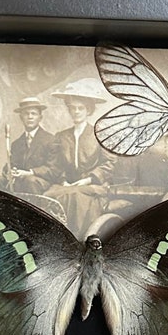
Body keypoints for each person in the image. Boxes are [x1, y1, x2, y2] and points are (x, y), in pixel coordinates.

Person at [45, 79, 116, 239]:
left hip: (93, 186)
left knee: (76, 195)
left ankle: (77, 238)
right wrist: (63, 180)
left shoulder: (99, 135)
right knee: (50, 195)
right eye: (72, 108)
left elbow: (109, 164)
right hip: (67, 185)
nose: (76, 112)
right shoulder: (61, 136)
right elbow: (56, 165)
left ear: (88, 110)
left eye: (80, 108)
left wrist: (88, 180)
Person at [8, 97, 57, 193]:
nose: (30, 117)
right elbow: (11, 164)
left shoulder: (50, 140)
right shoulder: (16, 144)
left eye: (33, 114)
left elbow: (53, 169)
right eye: (26, 114)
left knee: (30, 181)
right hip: (21, 180)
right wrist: (11, 171)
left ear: (40, 117)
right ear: (21, 117)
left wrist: (30, 173)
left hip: (42, 181)